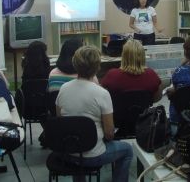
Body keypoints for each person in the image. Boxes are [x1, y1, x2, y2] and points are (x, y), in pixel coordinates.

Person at [56, 46, 133, 182]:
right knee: (127, 150)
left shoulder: (63, 89)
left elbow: (61, 122)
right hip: (93, 156)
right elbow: (110, 133)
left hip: (67, 152)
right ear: (98, 67)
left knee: (77, 142)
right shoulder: (101, 93)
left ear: (75, 64)